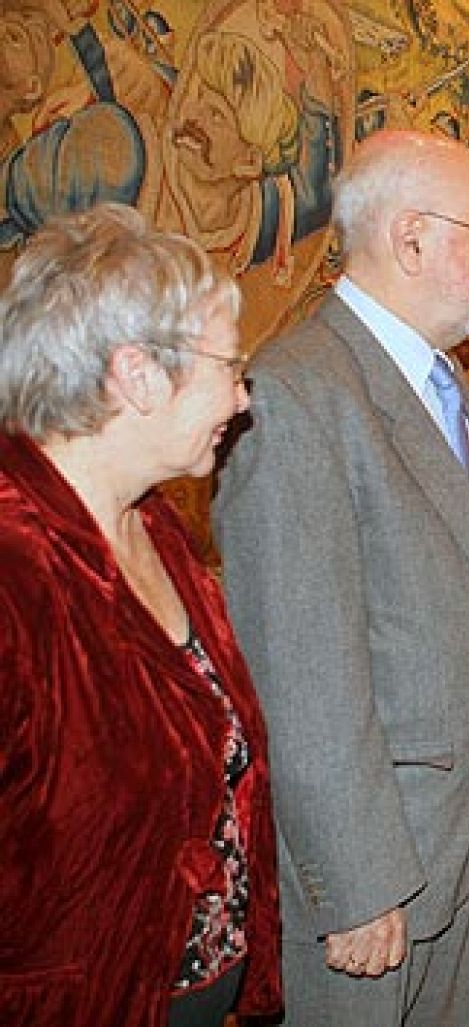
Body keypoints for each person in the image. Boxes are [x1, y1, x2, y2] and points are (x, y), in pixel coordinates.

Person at [212, 129, 469, 1025]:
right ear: (411, 239)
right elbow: (301, 668)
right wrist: (354, 880)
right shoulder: (300, 392)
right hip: (376, 874)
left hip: (456, 842)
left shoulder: (442, 384)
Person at [0, 203, 280, 1025]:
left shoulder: (155, 526)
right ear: (137, 374)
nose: (242, 397)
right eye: (229, 366)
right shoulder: (16, 571)